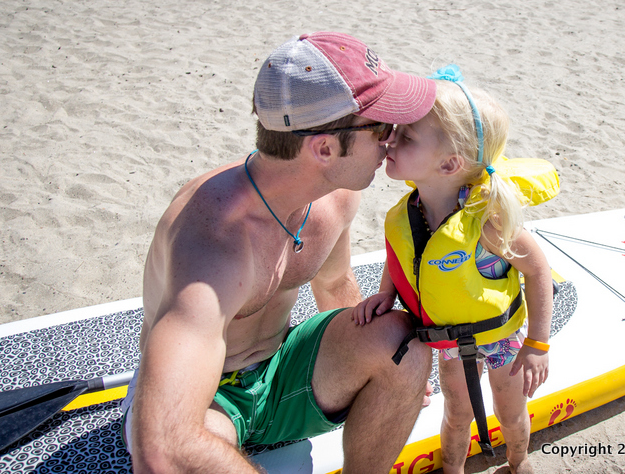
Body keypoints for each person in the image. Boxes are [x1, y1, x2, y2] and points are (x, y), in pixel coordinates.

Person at [120, 32, 436, 474]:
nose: (392, 141)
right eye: (382, 128)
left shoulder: (336, 196)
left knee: (404, 347)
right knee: (183, 451)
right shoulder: (214, 245)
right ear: (324, 147)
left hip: (281, 367)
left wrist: (380, 370)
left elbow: (334, 283)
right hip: (211, 399)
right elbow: (163, 445)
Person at [351, 65, 559, 474]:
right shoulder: (406, 214)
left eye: (406, 136)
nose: (390, 138)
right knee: (456, 415)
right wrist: (386, 294)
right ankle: (454, 470)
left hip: (502, 342)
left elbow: (538, 271)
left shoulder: (488, 222)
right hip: (448, 343)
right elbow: (408, 259)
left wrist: (538, 344)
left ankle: (519, 463)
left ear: (449, 165)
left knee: (510, 411)